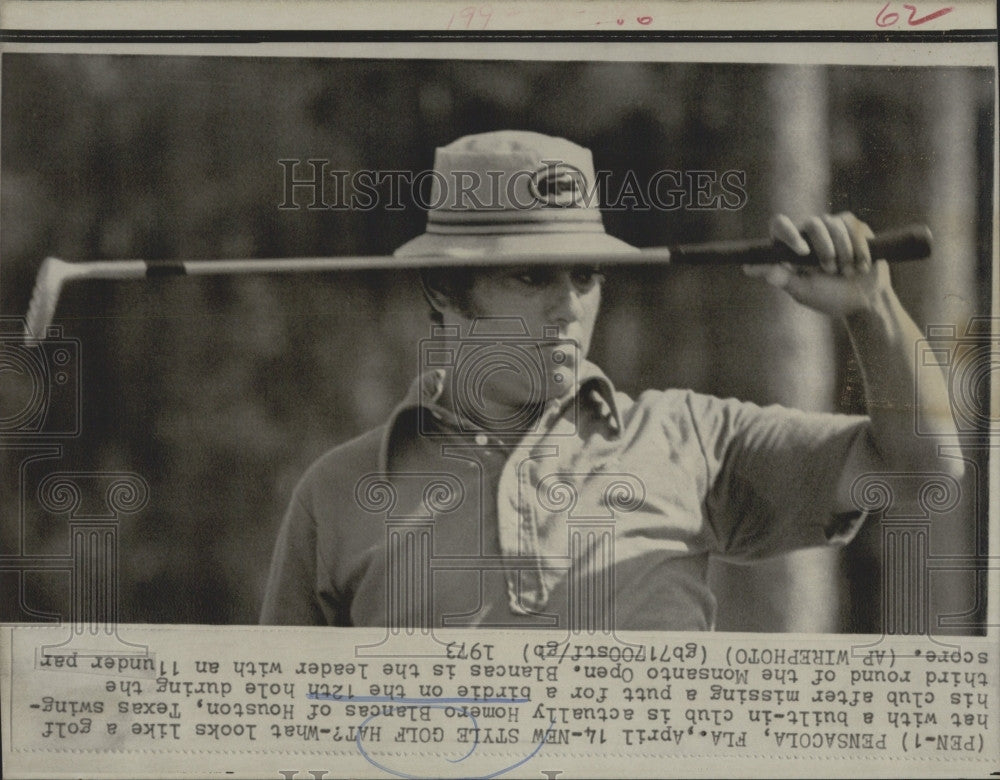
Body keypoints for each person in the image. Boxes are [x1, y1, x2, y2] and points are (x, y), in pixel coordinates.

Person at [260, 130, 962, 631]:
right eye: (532, 277)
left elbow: (925, 471)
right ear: (443, 289)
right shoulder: (335, 490)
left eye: (586, 275)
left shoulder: (693, 437)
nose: (569, 306)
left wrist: (873, 310)